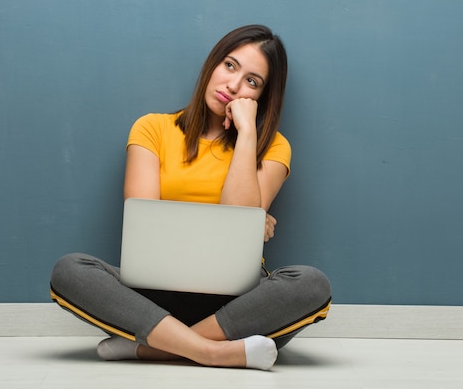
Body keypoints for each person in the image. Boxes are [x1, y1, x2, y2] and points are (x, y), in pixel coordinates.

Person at [50, 25, 331, 371]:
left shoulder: (273, 146)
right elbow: (146, 225)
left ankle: (152, 347)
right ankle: (212, 352)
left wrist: (246, 134)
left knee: (312, 285)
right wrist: (250, 225)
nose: (233, 85)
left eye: (252, 82)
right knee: (68, 271)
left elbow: (237, 217)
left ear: (263, 97)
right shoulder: (152, 129)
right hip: (152, 294)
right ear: (212, 64)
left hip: (235, 303)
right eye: (230, 66)